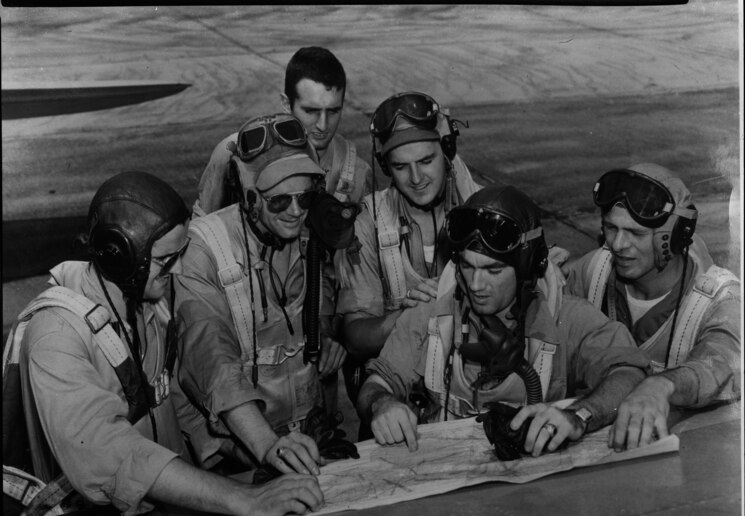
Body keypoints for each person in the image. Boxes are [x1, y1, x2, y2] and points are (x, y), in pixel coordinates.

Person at [3, 171, 323, 516]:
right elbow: (104, 452)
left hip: (156, 515)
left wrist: (251, 451)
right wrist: (243, 498)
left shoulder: (145, 305)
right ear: (121, 256)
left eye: (181, 253)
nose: (180, 268)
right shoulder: (58, 334)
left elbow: (169, 403)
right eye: (166, 260)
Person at [356, 184, 652, 457]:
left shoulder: (567, 319)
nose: (475, 284)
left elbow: (629, 372)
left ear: (526, 269)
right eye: (468, 267)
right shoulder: (429, 317)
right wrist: (382, 404)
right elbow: (377, 382)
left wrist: (579, 415)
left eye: (494, 271)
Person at [174, 114, 351, 477]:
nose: (296, 212)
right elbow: (211, 358)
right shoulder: (204, 249)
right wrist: (267, 445)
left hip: (308, 437)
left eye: (305, 197)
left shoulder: (315, 234)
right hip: (239, 447)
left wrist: (328, 337)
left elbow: (324, 307)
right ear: (248, 196)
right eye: (279, 202)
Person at [563, 163, 741, 450]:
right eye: (611, 227)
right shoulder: (592, 272)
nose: (618, 244)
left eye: (636, 233)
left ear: (676, 237)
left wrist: (661, 385)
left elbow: (718, 362)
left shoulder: (721, 300)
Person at [336, 91, 482, 407]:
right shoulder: (368, 222)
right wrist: (409, 315)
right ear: (384, 166)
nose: (416, 179)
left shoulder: (487, 212)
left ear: (446, 150)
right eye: (401, 166)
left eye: (426, 161)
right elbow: (355, 337)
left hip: (471, 395)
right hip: (396, 400)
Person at [197, 46, 372, 214]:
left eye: (333, 111)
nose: (323, 125)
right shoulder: (233, 156)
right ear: (286, 104)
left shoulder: (357, 173)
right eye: (311, 111)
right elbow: (203, 232)